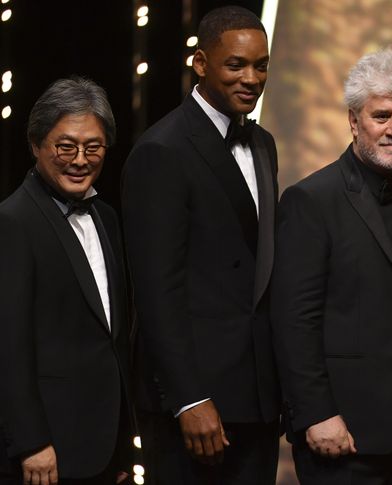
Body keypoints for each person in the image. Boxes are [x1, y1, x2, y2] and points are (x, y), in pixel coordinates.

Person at [271, 49, 392, 485]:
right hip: (346, 431)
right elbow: (294, 320)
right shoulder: (311, 200)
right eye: (382, 116)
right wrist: (316, 413)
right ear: (354, 121)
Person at [122, 6, 279, 485]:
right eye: (236, 65)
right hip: (196, 402)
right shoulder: (162, 150)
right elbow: (156, 291)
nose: (251, 78)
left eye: (261, 65)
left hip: (256, 394)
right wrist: (189, 398)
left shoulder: (264, 143)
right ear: (201, 63)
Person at [0, 77, 132, 485]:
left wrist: (125, 440)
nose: (80, 159)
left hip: (104, 444)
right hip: (46, 450)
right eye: (66, 146)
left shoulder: (107, 217)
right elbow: (8, 345)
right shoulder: (12, 221)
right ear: (37, 144)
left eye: (93, 147)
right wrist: (30, 442)